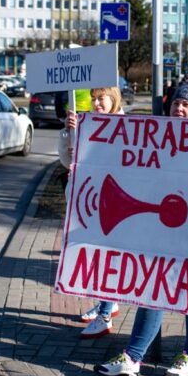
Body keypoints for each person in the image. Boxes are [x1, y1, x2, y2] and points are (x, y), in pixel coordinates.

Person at [95, 83, 188, 376]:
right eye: (176, 103)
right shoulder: (158, 141)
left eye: (187, 104)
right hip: (164, 232)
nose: (179, 108)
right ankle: (132, 358)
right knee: (153, 291)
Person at [58, 86, 126, 339]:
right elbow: (67, 161)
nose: (96, 103)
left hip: (109, 205)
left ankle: (105, 315)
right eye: (94, 99)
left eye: (102, 99)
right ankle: (107, 303)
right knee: (97, 257)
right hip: (89, 202)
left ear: (114, 99)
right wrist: (69, 132)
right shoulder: (88, 124)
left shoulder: (123, 127)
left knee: (107, 259)